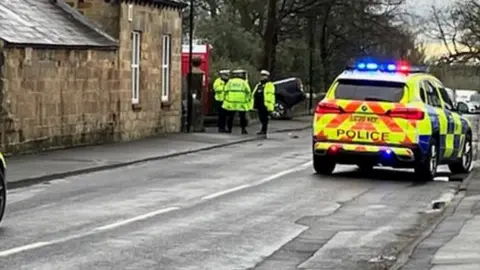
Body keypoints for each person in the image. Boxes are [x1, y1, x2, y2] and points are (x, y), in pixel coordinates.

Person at [223, 69, 251, 134]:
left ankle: (229, 129)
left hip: (232, 102)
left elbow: (225, 91)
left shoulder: (230, 82)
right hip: (241, 102)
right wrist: (247, 100)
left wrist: (227, 99)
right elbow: (248, 91)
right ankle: (243, 129)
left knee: (230, 117)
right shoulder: (243, 82)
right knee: (242, 117)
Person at [251, 70, 276, 135]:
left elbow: (270, 95)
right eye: (261, 76)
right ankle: (262, 130)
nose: (262, 77)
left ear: (267, 77)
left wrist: (269, 105)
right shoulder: (259, 84)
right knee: (261, 117)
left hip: (265, 104)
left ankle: (264, 130)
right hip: (259, 103)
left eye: (264, 76)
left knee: (264, 118)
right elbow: (254, 93)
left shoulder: (269, 84)